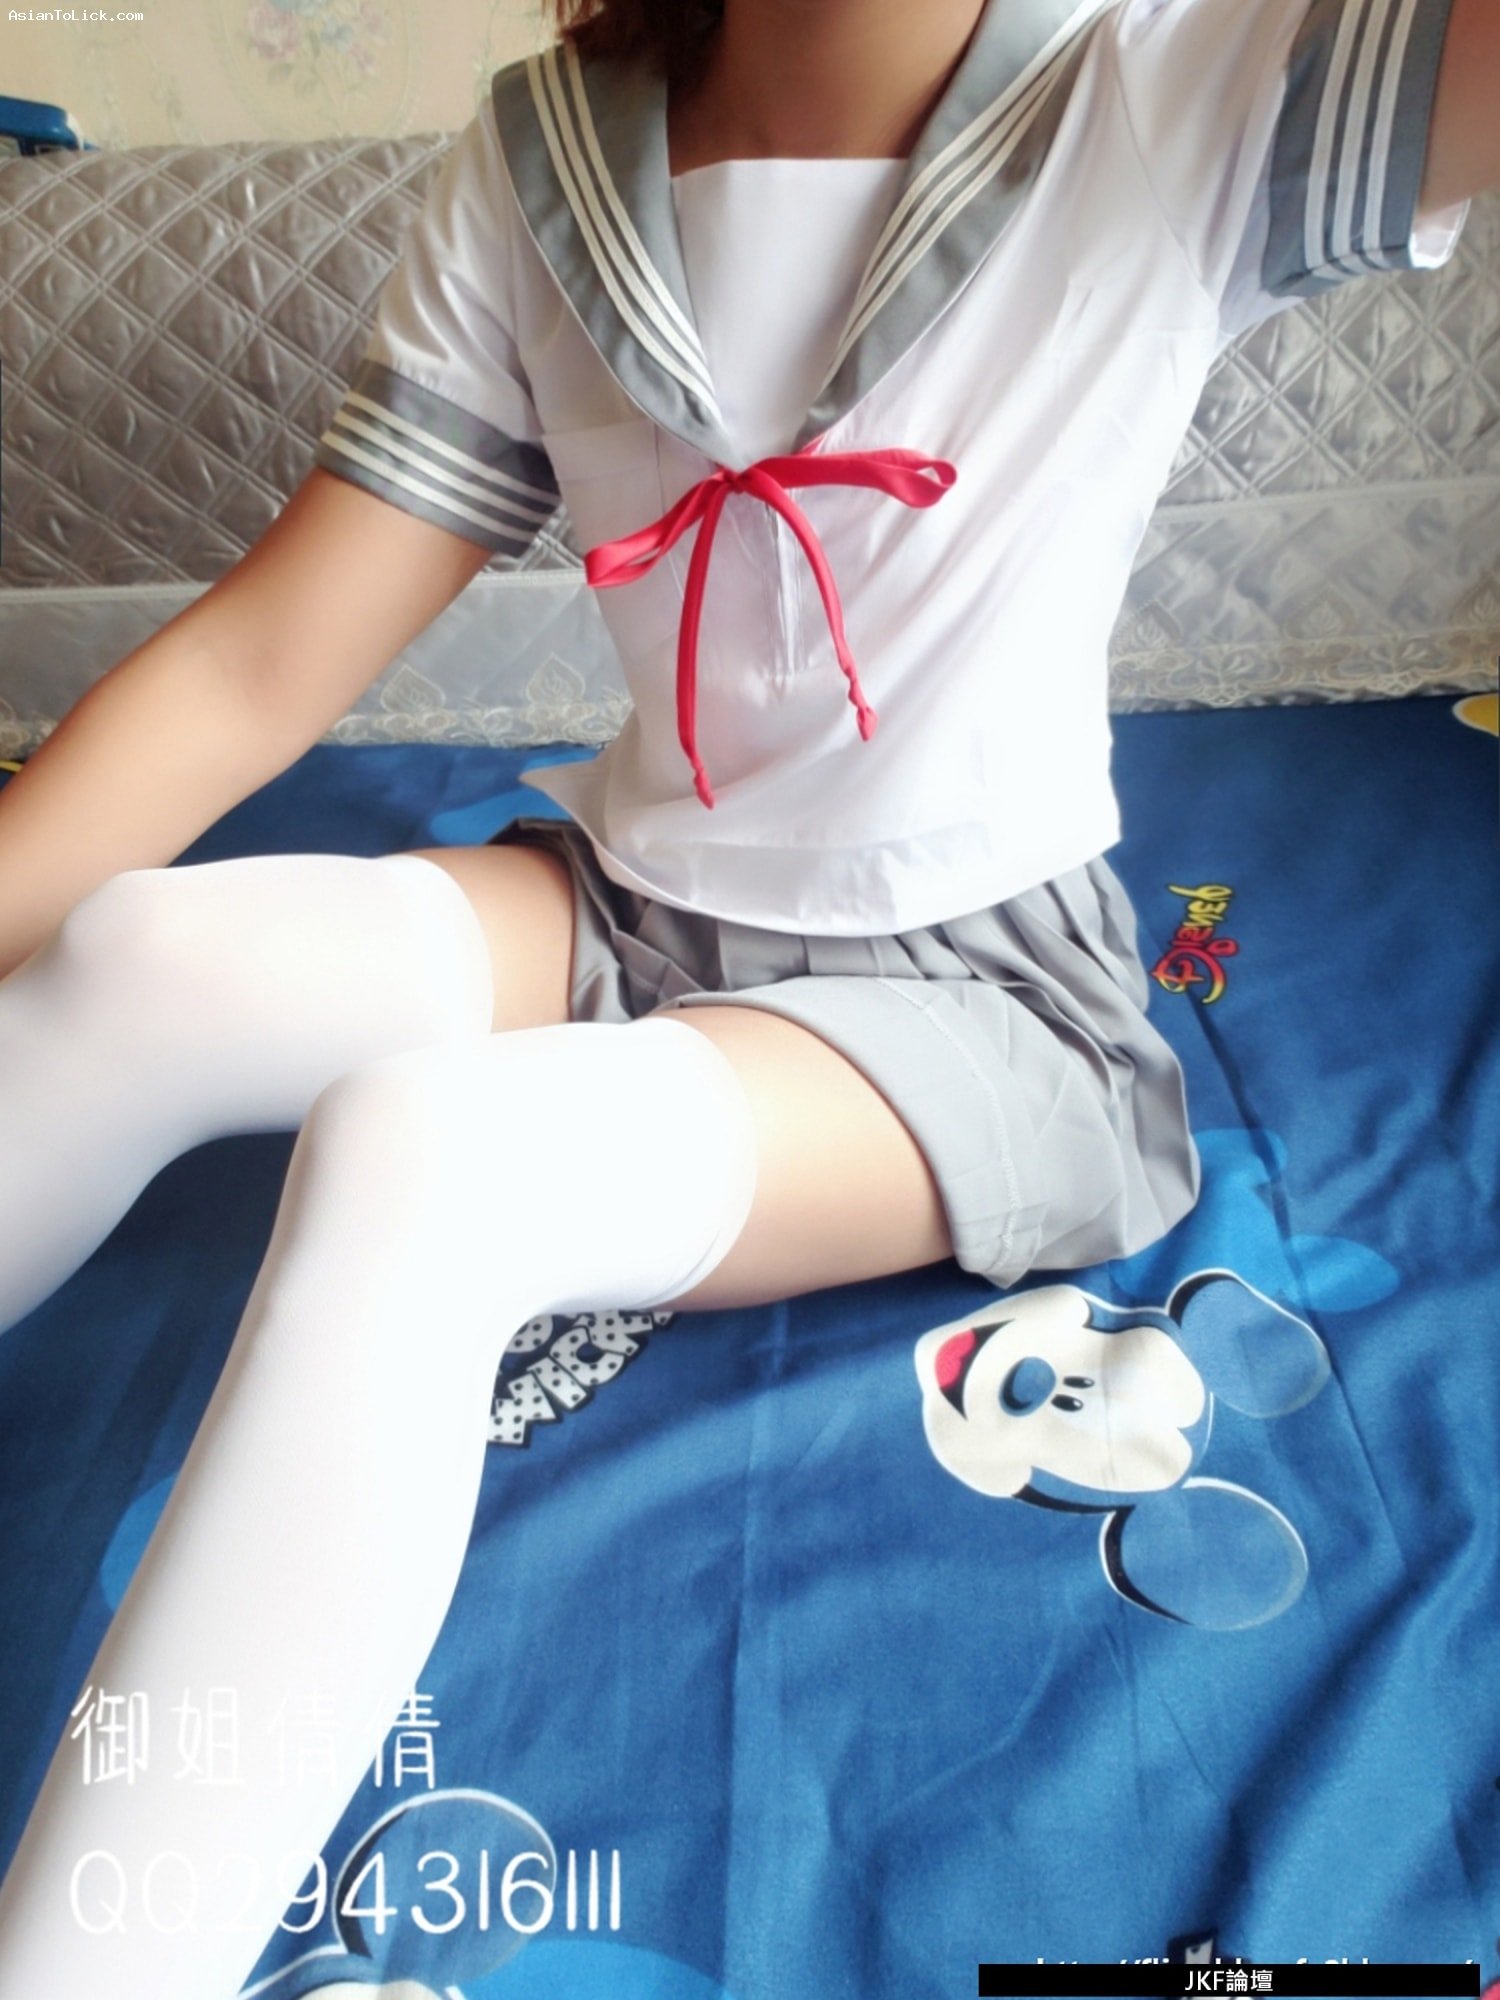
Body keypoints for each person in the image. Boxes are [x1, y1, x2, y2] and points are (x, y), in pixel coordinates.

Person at [0, 0, 1487, 1989]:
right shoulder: (550, 155)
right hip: (632, 905)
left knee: (424, 1163)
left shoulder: (1178, 75)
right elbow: (262, 661)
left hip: (976, 996)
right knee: (138, 953)